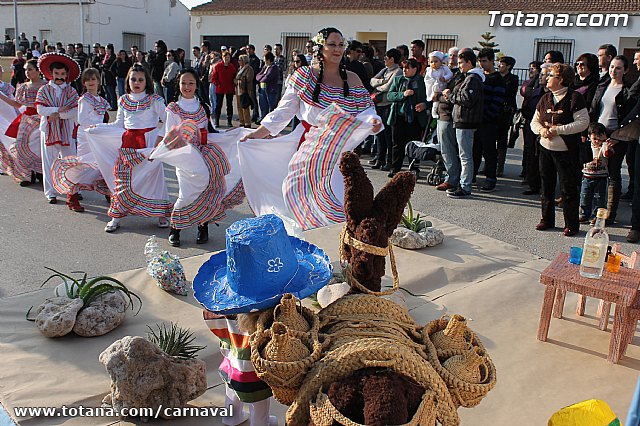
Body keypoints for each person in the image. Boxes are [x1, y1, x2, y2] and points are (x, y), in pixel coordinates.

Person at [240, 27, 382, 230]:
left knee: (342, 203)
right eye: (331, 44)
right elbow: (283, 112)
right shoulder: (304, 76)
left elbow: (368, 111)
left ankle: (338, 250)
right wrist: (257, 133)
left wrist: (373, 122)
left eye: (341, 45)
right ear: (319, 47)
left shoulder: (352, 79)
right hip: (310, 153)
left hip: (341, 153)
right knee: (302, 199)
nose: (337, 49)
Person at [85, 64, 171, 233]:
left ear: (146, 81)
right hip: (128, 144)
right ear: (128, 80)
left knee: (154, 178)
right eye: (133, 79)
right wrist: (99, 128)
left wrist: (159, 141)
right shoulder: (123, 100)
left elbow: (168, 120)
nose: (136, 82)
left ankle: (161, 213)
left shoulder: (155, 100)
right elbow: (119, 124)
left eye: (140, 79)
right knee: (123, 180)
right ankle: (116, 216)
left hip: (149, 144)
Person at [155, 68, 233, 246]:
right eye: (183, 83)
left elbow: (211, 131)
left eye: (191, 83)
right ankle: (175, 228)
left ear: (197, 85)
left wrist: (232, 135)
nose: (187, 86)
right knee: (186, 194)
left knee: (206, 191)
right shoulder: (173, 108)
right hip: (184, 158)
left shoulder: (203, 106)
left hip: (205, 157)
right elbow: (169, 135)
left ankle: (203, 226)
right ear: (178, 85)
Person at [531, 63, 589, 236]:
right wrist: (541, 130)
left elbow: (582, 123)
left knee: (568, 187)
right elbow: (535, 121)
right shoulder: (545, 98)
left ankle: (571, 224)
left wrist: (558, 130)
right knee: (546, 185)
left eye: (551, 75)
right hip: (545, 148)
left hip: (566, 151)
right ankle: (546, 219)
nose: (546, 78)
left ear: (561, 79)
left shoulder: (575, 98)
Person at [51, 67, 111, 212]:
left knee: (103, 164)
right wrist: (98, 128)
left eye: (93, 79)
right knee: (85, 165)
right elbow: (83, 120)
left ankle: (108, 192)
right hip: (87, 136)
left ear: (99, 81)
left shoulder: (101, 100)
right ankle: (72, 196)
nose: (91, 82)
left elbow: (104, 118)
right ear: (84, 83)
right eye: (87, 80)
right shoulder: (84, 99)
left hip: (98, 136)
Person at [590, 55, 634, 225]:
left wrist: (617, 136)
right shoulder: (603, 85)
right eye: (612, 67)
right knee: (595, 172)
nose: (613, 71)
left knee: (612, 175)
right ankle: (594, 210)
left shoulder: (627, 90)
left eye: (618, 68)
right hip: (598, 134)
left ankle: (610, 214)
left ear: (626, 70)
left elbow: (630, 117)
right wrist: (592, 133)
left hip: (616, 137)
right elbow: (594, 109)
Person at [35, 52, 80, 204]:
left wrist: (58, 114)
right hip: (49, 131)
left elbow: (74, 111)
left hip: (66, 130)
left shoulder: (72, 91)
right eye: (56, 73)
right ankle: (51, 192)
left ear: (66, 74)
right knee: (49, 161)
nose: (59, 76)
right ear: (51, 74)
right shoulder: (44, 90)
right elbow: (40, 109)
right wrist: (59, 109)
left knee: (70, 160)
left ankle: (73, 190)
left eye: (62, 73)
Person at [442, 48, 485, 199]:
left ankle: (465, 186)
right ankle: (463, 183)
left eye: (461, 63)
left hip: (466, 121)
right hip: (461, 120)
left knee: (465, 155)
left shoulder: (473, 78)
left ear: (469, 62)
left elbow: (466, 99)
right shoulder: (469, 77)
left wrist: (450, 95)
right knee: (464, 154)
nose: (459, 66)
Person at [0, 59, 45, 185]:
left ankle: (41, 173)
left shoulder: (45, 86)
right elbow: (17, 104)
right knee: (21, 145)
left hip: (41, 119)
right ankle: (27, 175)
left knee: (39, 147)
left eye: (30, 69)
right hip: (27, 120)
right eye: (26, 69)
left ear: (38, 71)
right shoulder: (23, 86)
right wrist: (1, 96)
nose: (27, 72)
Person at [386, 58, 428, 178]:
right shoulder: (398, 80)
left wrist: (424, 105)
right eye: (404, 67)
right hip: (399, 116)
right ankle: (395, 168)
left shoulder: (421, 81)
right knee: (397, 144)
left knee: (414, 144)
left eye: (407, 68)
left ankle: (414, 168)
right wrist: (402, 94)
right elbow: (390, 95)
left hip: (414, 118)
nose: (405, 70)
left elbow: (429, 98)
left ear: (415, 69)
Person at [369, 48, 402, 170]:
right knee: (378, 133)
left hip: (388, 105)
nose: (384, 60)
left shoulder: (398, 71)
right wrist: (382, 81)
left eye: (386, 58)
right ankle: (379, 158)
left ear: (392, 59)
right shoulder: (384, 70)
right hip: (378, 105)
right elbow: (372, 81)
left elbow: (389, 87)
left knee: (388, 135)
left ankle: (389, 160)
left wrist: (380, 86)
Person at [579, 123, 611, 224]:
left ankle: (596, 216)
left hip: (601, 177)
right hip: (587, 176)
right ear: (589, 136)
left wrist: (606, 146)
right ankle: (584, 214)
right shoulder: (587, 146)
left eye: (600, 138)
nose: (597, 141)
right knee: (584, 196)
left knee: (599, 198)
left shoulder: (604, 146)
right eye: (594, 138)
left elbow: (608, 153)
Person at [496, 56, 518, 176]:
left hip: (505, 111)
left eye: (502, 64)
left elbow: (507, 91)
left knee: (502, 138)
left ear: (508, 66)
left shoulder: (513, 79)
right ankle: (491, 164)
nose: (499, 66)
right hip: (494, 110)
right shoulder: (496, 76)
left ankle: (500, 166)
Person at [0, 65, 19, 176]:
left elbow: (12, 101)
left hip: (7, 116)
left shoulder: (6, 87)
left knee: (9, 139)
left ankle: (13, 165)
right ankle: (3, 166)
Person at [211, 51, 237, 128]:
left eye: (228, 57)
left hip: (229, 88)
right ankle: (217, 121)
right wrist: (217, 84)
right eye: (225, 57)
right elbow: (214, 78)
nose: (226, 59)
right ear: (222, 58)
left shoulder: (232, 67)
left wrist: (234, 84)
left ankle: (229, 121)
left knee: (229, 105)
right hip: (220, 88)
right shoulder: (218, 66)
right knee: (218, 105)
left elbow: (235, 77)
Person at [424, 50, 452, 120]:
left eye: (436, 61)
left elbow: (450, 74)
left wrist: (445, 78)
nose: (434, 63)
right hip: (434, 88)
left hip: (442, 87)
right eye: (431, 62)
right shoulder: (429, 70)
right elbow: (427, 79)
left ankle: (437, 111)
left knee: (440, 100)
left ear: (441, 61)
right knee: (435, 101)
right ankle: (434, 112)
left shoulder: (444, 68)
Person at [256, 52, 279, 120]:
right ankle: (263, 118)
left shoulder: (273, 67)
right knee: (263, 105)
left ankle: (271, 120)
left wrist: (262, 77)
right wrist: (262, 76)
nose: (264, 61)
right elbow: (257, 76)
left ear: (268, 60)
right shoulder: (265, 67)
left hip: (270, 90)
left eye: (264, 59)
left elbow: (267, 78)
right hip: (262, 89)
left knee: (271, 106)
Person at [234, 54, 255, 128]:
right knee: (239, 106)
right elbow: (235, 78)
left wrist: (240, 79)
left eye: (240, 60)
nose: (239, 61)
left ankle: (247, 122)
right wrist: (237, 80)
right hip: (238, 89)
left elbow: (249, 78)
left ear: (244, 61)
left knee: (245, 106)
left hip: (245, 90)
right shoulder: (239, 69)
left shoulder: (249, 69)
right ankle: (241, 121)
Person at [102, 44, 117, 109]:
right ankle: (108, 105)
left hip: (110, 77)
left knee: (111, 92)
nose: (106, 50)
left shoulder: (113, 57)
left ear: (111, 49)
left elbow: (108, 66)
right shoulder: (106, 56)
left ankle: (113, 106)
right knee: (106, 92)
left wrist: (103, 66)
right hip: (104, 76)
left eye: (107, 49)